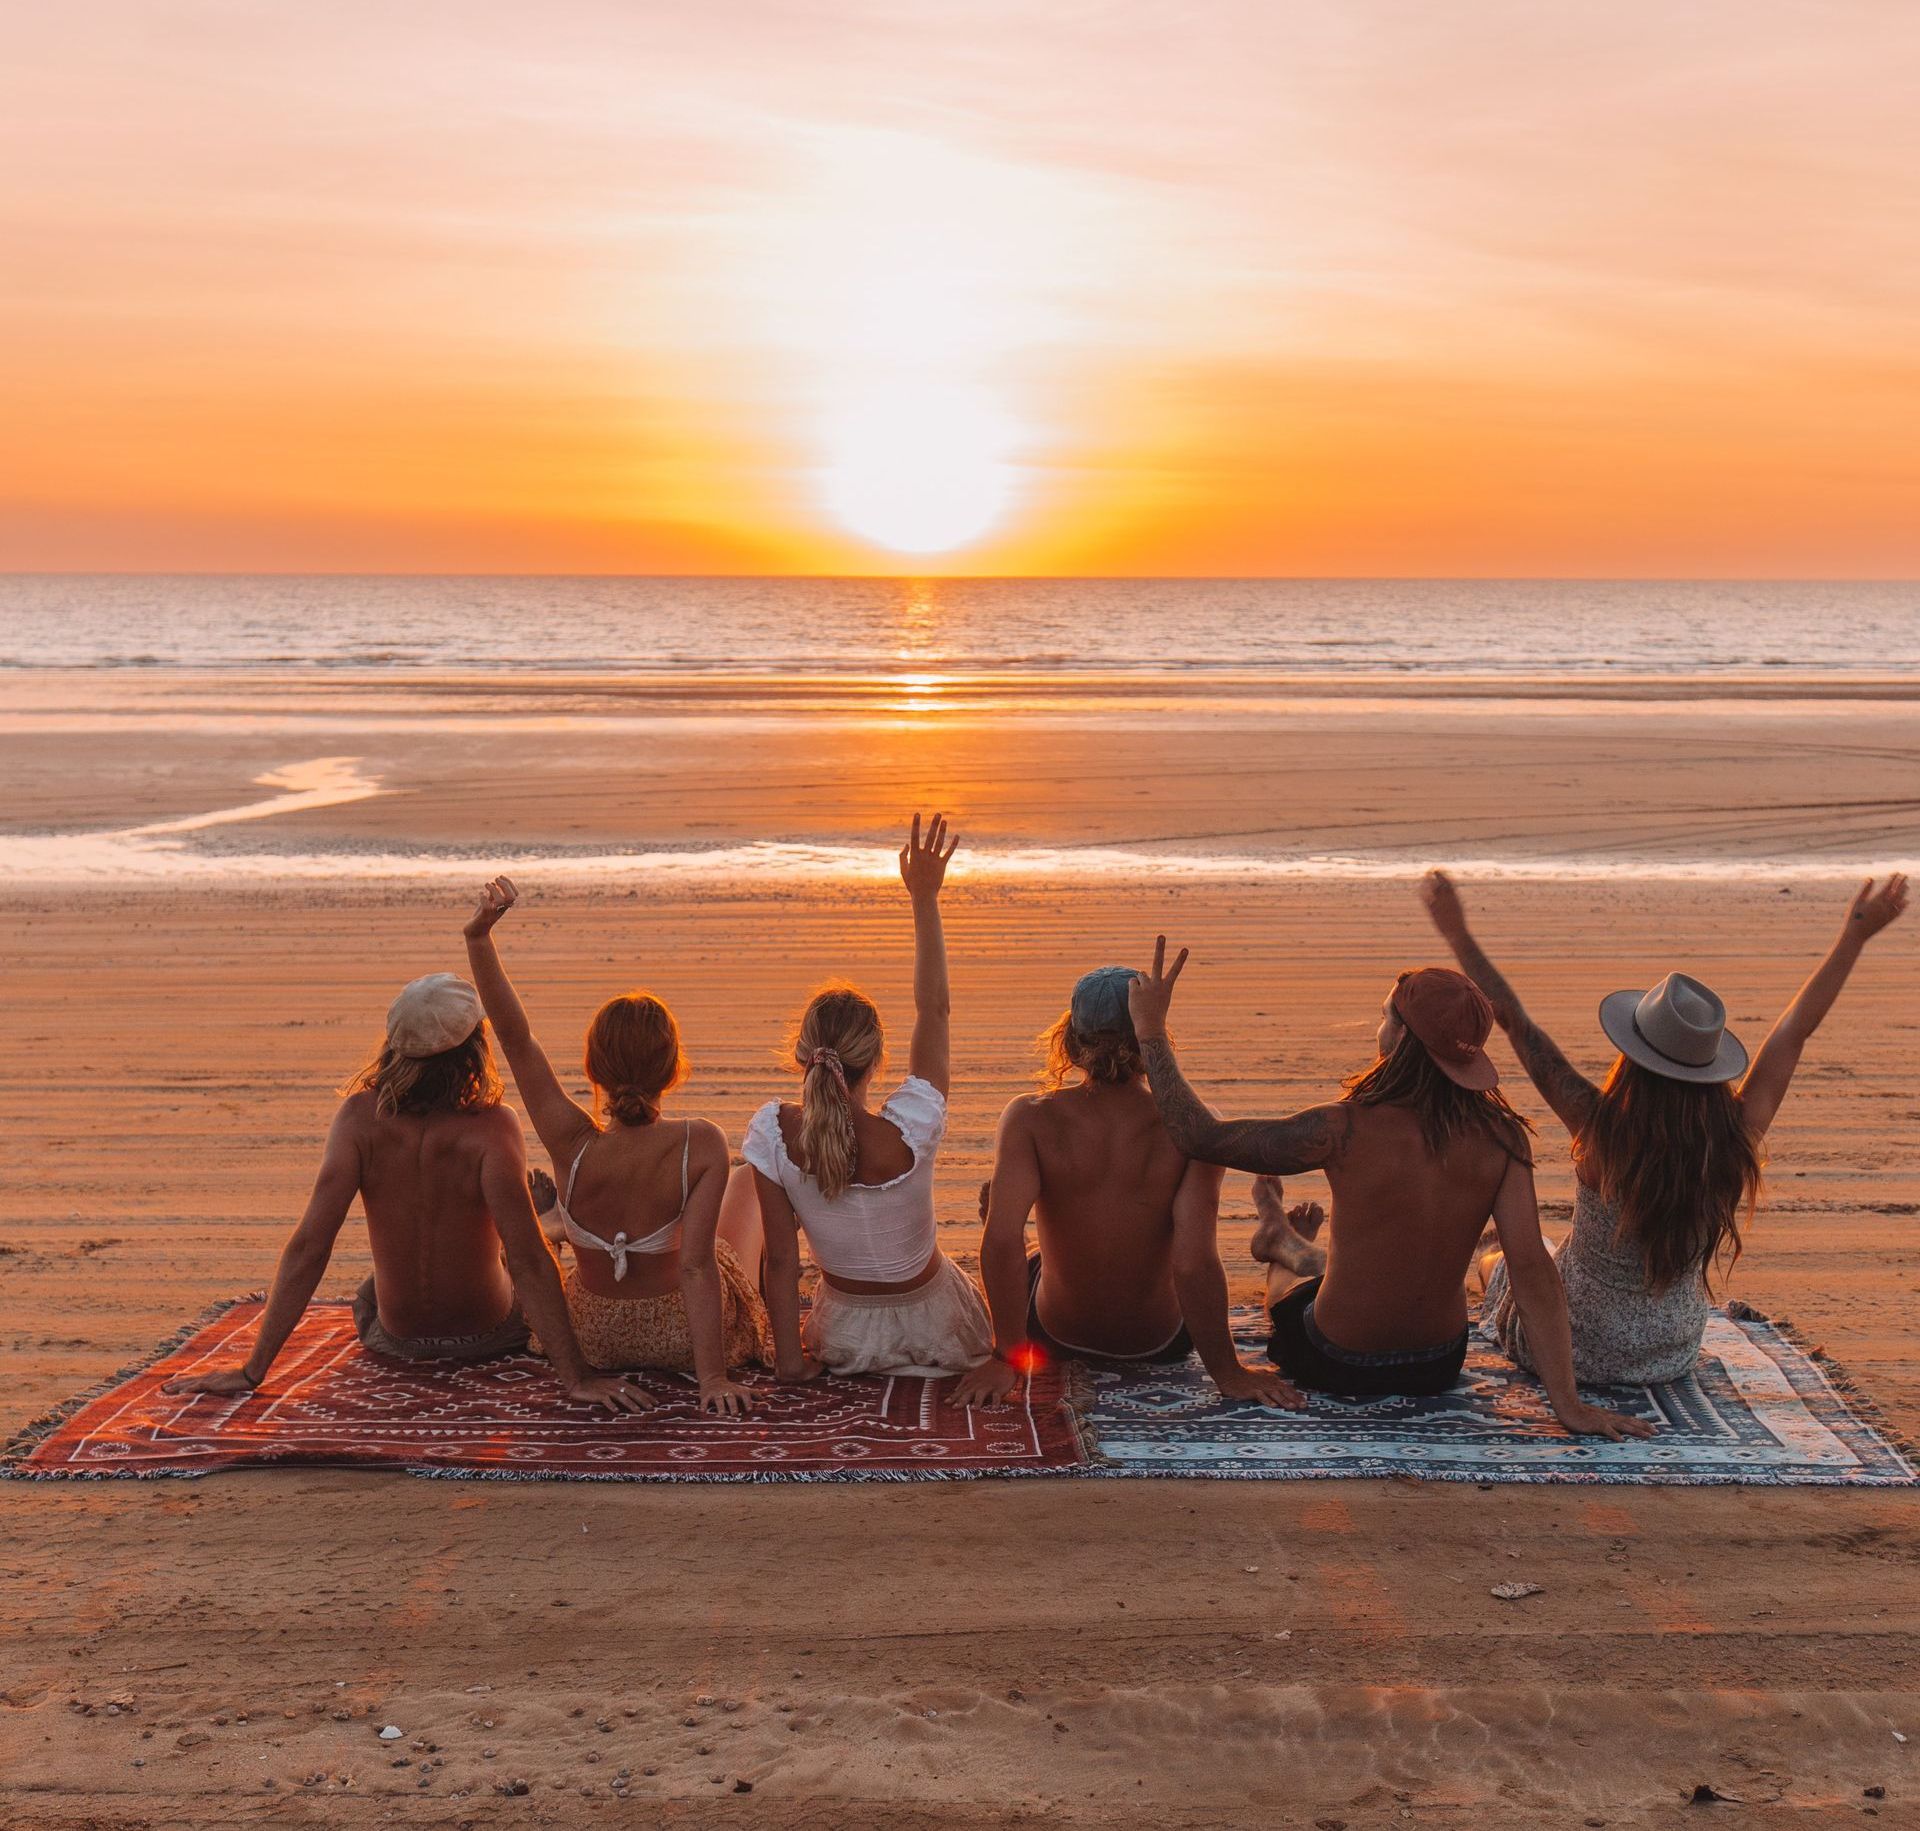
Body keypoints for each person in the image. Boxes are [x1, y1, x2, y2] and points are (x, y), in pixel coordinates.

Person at [1127, 938, 1649, 1438]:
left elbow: (1197, 1135)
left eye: (1384, 1018)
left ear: (1402, 1040)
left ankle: (1279, 1244)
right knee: (1345, 1264)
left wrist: (1151, 1031)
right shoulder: (1503, 1138)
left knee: (1287, 1289)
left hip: (1334, 1361)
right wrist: (1568, 1404)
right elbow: (1532, 1269)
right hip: (1437, 1365)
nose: (1378, 1029)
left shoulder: (1342, 1128)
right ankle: (1285, 1240)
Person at [1423, 869, 1909, 1385]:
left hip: (1573, 1346)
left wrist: (1457, 932)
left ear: (1631, 1057)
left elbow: (1515, 1022)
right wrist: (1853, 937)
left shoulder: (1599, 1126)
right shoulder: (1734, 1134)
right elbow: (1795, 1031)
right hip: (1668, 1354)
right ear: (1709, 1065)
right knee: (1542, 1250)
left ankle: (1491, 1263)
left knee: (1500, 1256)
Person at [163, 973, 646, 1412]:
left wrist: (253, 1371)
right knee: (525, 1253)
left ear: (393, 1048)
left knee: (372, 1288)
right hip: (490, 1335)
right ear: (476, 1048)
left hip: (394, 1338)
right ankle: (551, 1223)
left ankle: (546, 1224)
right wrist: (576, 1376)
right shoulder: (493, 1127)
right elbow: (528, 1261)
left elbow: (311, 1246)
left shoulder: (356, 1120)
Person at [462, 876, 772, 1416]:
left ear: (592, 1068)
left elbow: (515, 1039)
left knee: (689, 1232)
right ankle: (566, 1225)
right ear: (674, 1069)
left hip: (594, 1337)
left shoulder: (570, 1140)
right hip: (680, 1335)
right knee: (746, 1183)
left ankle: (565, 1225)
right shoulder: (699, 1143)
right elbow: (697, 1267)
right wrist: (712, 1378)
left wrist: (479, 940)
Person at [951, 965, 1299, 1409]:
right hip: (1159, 1340)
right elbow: (1193, 1263)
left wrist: (1005, 1356)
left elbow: (999, 1242)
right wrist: (1227, 1372)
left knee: (1010, 1236)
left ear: (1070, 1042)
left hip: (1056, 1332)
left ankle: (1022, 1233)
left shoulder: (1029, 1117)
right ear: (1154, 1041)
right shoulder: (1193, 1129)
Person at [731, 813, 991, 1379]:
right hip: (940, 1330)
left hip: (844, 1337)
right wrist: (926, 898)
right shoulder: (913, 1126)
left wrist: (793, 1365)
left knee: (738, 1179)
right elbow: (934, 1009)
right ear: (875, 1060)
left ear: (801, 1056)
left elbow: (781, 1264)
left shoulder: (774, 1133)